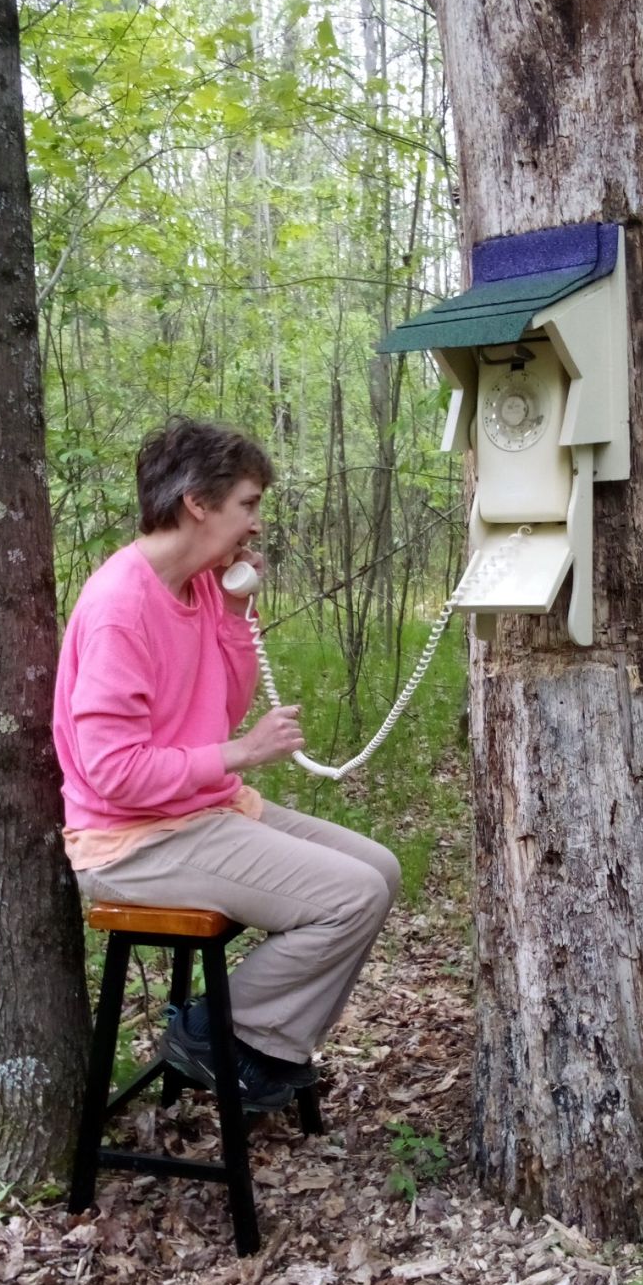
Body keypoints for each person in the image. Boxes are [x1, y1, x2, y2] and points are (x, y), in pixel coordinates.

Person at [53, 415, 401, 1112]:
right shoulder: (121, 605)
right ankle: (217, 1033)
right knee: (350, 895)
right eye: (248, 504)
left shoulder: (207, 585)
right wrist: (240, 754)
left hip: (201, 810)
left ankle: (258, 1044)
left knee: (382, 870)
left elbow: (225, 704)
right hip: (134, 841)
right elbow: (115, 771)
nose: (255, 524)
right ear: (198, 504)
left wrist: (238, 610)